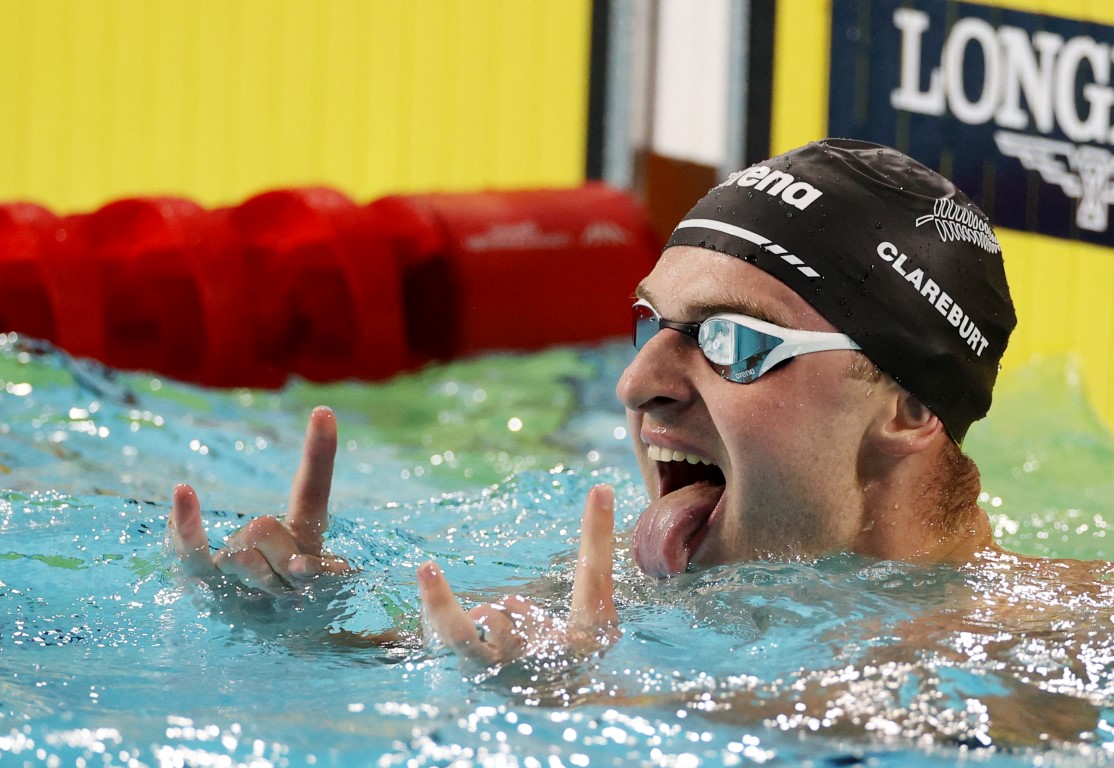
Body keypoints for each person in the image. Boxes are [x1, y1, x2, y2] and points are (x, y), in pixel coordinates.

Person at [168, 138, 1018, 666]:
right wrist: (300, 629)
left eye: (734, 341)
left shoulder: (1044, 656)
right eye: (653, 321)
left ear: (908, 407)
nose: (637, 383)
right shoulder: (599, 603)